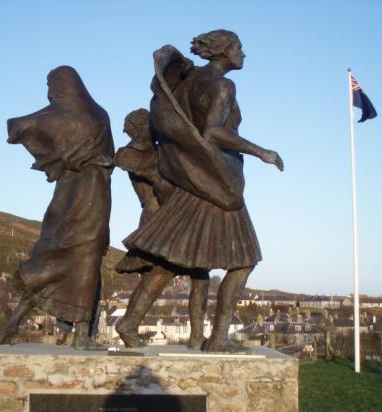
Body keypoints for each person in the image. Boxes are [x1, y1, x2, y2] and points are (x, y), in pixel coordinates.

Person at [121, 30, 283, 352]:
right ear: (223, 51)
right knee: (242, 263)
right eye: (238, 47)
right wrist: (261, 151)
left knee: (171, 263)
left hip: (193, 183)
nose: (243, 54)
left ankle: (128, 324)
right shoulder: (223, 85)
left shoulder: (189, 81)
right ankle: (219, 339)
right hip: (217, 187)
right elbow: (213, 132)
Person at [0, 66, 114, 349]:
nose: (49, 92)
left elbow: (17, 125)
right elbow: (109, 157)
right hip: (96, 189)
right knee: (85, 255)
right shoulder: (99, 115)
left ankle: (17, 321)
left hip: (71, 191)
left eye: (51, 85)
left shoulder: (57, 115)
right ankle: (81, 334)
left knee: (61, 251)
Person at [114, 109, 209, 349]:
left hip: (170, 217)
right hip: (163, 219)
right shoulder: (136, 154)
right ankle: (128, 324)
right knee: (161, 274)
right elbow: (162, 186)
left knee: (199, 275)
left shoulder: (151, 152)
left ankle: (197, 335)